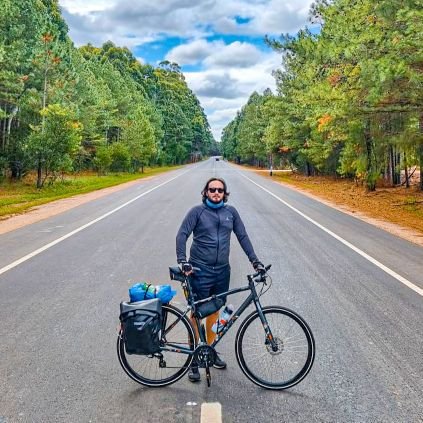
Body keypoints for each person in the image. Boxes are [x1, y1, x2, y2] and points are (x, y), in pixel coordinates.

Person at [176, 177, 264, 382]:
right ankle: (193, 360)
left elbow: (243, 237)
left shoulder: (230, 213)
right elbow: (182, 235)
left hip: (222, 271)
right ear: (205, 192)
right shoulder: (197, 212)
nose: (216, 193)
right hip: (199, 270)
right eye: (212, 189)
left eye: (220, 190)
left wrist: (255, 262)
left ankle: (210, 350)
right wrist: (183, 261)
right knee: (196, 314)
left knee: (216, 310)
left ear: (225, 193)